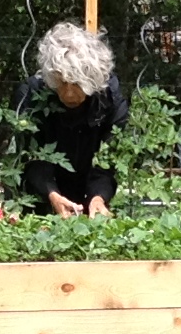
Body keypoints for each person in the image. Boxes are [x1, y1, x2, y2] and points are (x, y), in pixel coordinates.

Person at [16, 24, 127, 216]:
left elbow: (109, 159)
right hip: (40, 199)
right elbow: (30, 157)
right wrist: (51, 193)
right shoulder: (32, 94)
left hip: (89, 189)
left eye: (77, 83)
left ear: (93, 78)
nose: (68, 94)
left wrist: (98, 197)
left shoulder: (110, 98)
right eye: (61, 82)